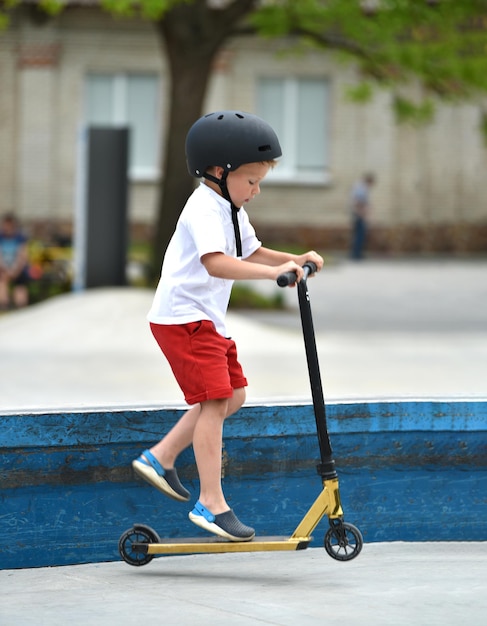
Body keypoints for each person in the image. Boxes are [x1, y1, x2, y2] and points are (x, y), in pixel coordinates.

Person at [132, 110, 324, 542]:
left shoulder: (230, 207)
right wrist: (278, 276)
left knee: (233, 395)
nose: (256, 191)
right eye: (252, 180)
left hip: (204, 320)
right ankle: (211, 504)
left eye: (259, 182)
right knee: (216, 400)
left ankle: (160, 456)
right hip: (184, 318)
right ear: (219, 171)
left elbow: (251, 252)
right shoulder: (204, 207)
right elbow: (217, 264)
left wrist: (296, 259)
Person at [0, 213, 30, 310]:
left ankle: (20, 307)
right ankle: (3, 306)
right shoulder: (1, 238)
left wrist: (15, 270)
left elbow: (23, 256)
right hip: (4, 269)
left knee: (20, 287)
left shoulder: (20, 238)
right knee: (2, 283)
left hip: (18, 269)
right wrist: (5, 269)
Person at [349, 172, 376, 261]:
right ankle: (356, 254)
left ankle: (355, 253)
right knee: (360, 234)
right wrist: (363, 214)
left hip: (356, 214)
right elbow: (359, 202)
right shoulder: (362, 188)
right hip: (359, 214)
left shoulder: (359, 186)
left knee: (357, 234)